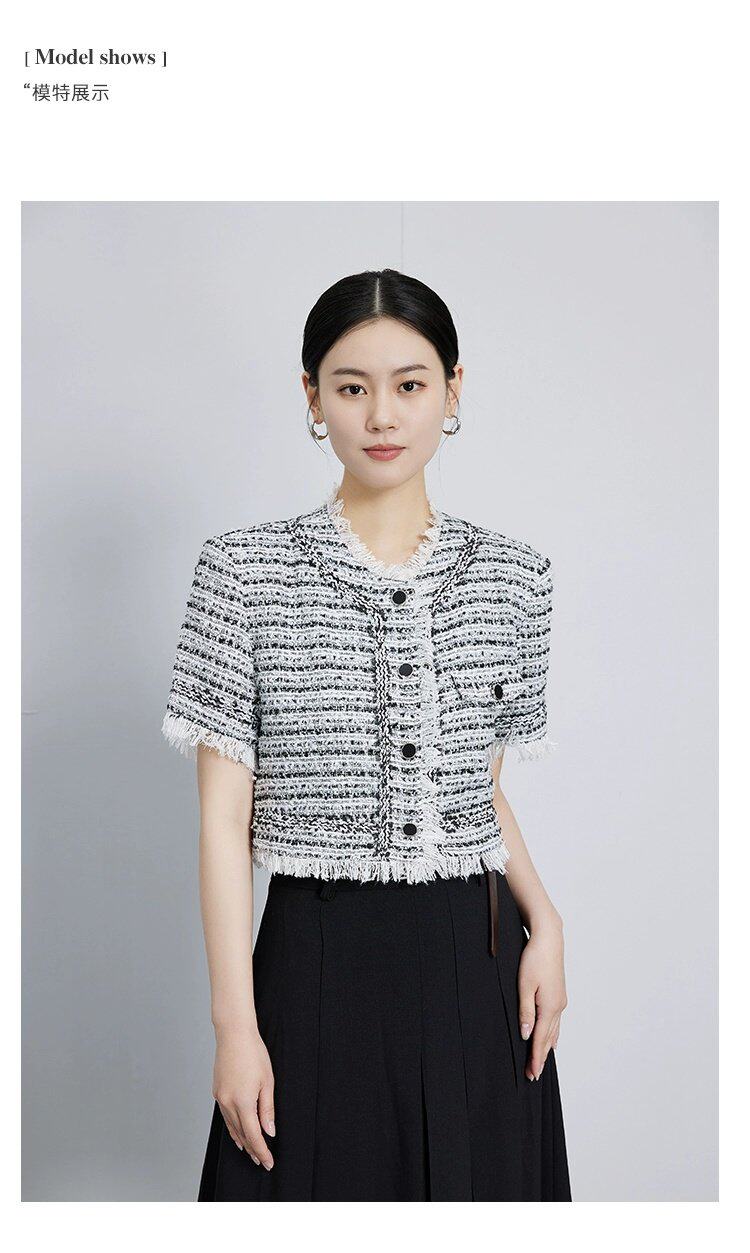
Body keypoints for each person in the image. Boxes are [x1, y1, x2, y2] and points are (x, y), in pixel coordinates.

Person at [162, 268, 572, 1201]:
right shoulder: (243, 574)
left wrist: (546, 920)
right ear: (313, 398)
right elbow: (223, 822)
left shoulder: (515, 579)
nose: (382, 414)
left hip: (479, 963)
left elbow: (479, 793)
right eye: (351, 386)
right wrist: (235, 1026)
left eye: (410, 384)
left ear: (453, 391)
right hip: (315, 958)